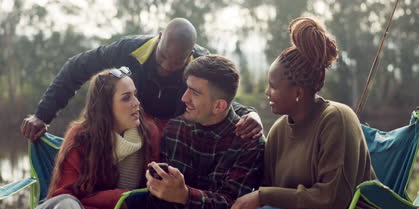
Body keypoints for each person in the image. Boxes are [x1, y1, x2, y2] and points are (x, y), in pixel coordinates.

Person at [229, 17, 397, 209]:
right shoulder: (277, 131)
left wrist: (262, 196)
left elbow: (332, 200)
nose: (267, 93)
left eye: (273, 86)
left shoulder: (337, 118)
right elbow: (274, 193)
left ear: (297, 92)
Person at [21, 17, 263, 142]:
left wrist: (251, 114)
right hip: (131, 131)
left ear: (190, 55)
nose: (167, 68)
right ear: (159, 39)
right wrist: (42, 115)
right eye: (162, 59)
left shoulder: (201, 62)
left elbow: (222, 101)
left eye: (176, 63)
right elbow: (78, 67)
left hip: (178, 140)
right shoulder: (129, 48)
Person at [123, 55, 265, 209]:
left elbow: (232, 206)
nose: (184, 98)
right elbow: (165, 203)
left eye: (195, 92)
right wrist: (159, 187)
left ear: (218, 106)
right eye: (186, 88)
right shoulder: (175, 128)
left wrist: (186, 195)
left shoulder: (249, 142)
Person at [16, 67, 161, 209]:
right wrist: (119, 198)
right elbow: (62, 197)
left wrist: (96, 204)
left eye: (135, 95)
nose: (136, 103)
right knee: (67, 206)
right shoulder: (82, 137)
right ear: (106, 106)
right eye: (126, 98)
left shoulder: (148, 136)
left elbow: (144, 199)